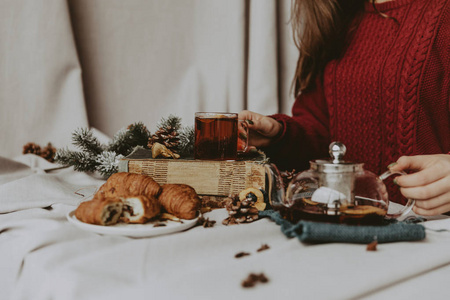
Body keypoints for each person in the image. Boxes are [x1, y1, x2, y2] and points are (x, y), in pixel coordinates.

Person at [239, 0, 450, 216]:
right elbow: (323, 136)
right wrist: (280, 135)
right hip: (347, 231)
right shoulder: (340, 15)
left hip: (432, 236)